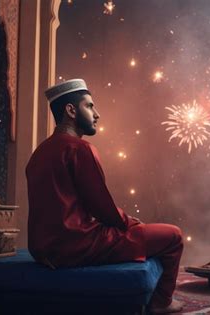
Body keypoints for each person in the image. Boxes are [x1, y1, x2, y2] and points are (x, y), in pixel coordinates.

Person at [26, 79, 184, 313]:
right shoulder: (80, 149)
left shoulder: (38, 153)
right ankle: (161, 303)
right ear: (71, 110)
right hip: (80, 245)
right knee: (173, 236)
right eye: (89, 106)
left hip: (44, 250)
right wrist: (130, 223)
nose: (96, 114)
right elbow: (102, 208)